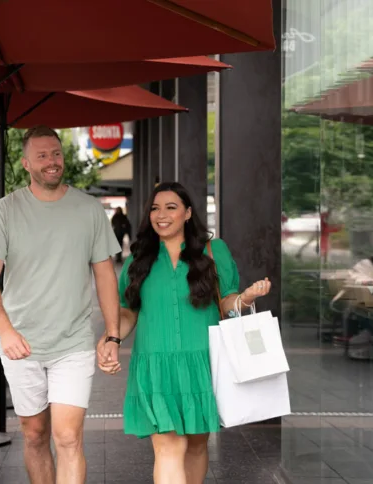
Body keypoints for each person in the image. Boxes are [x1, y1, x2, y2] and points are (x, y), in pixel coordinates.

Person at [0, 125, 122, 484]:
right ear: (26, 163)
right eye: (42, 156)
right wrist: (5, 332)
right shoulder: (6, 211)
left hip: (72, 344)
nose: (52, 162)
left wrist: (113, 336)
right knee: (35, 434)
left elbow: (105, 277)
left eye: (56, 154)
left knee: (68, 437)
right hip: (21, 344)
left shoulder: (88, 210)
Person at [99, 182, 272, 484]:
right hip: (154, 365)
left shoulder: (213, 251)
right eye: (155, 208)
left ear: (188, 213)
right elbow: (128, 310)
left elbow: (227, 301)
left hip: (201, 364)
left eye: (171, 207)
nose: (161, 215)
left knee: (195, 446)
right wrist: (112, 338)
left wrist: (246, 298)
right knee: (167, 447)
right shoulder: (138, 260)